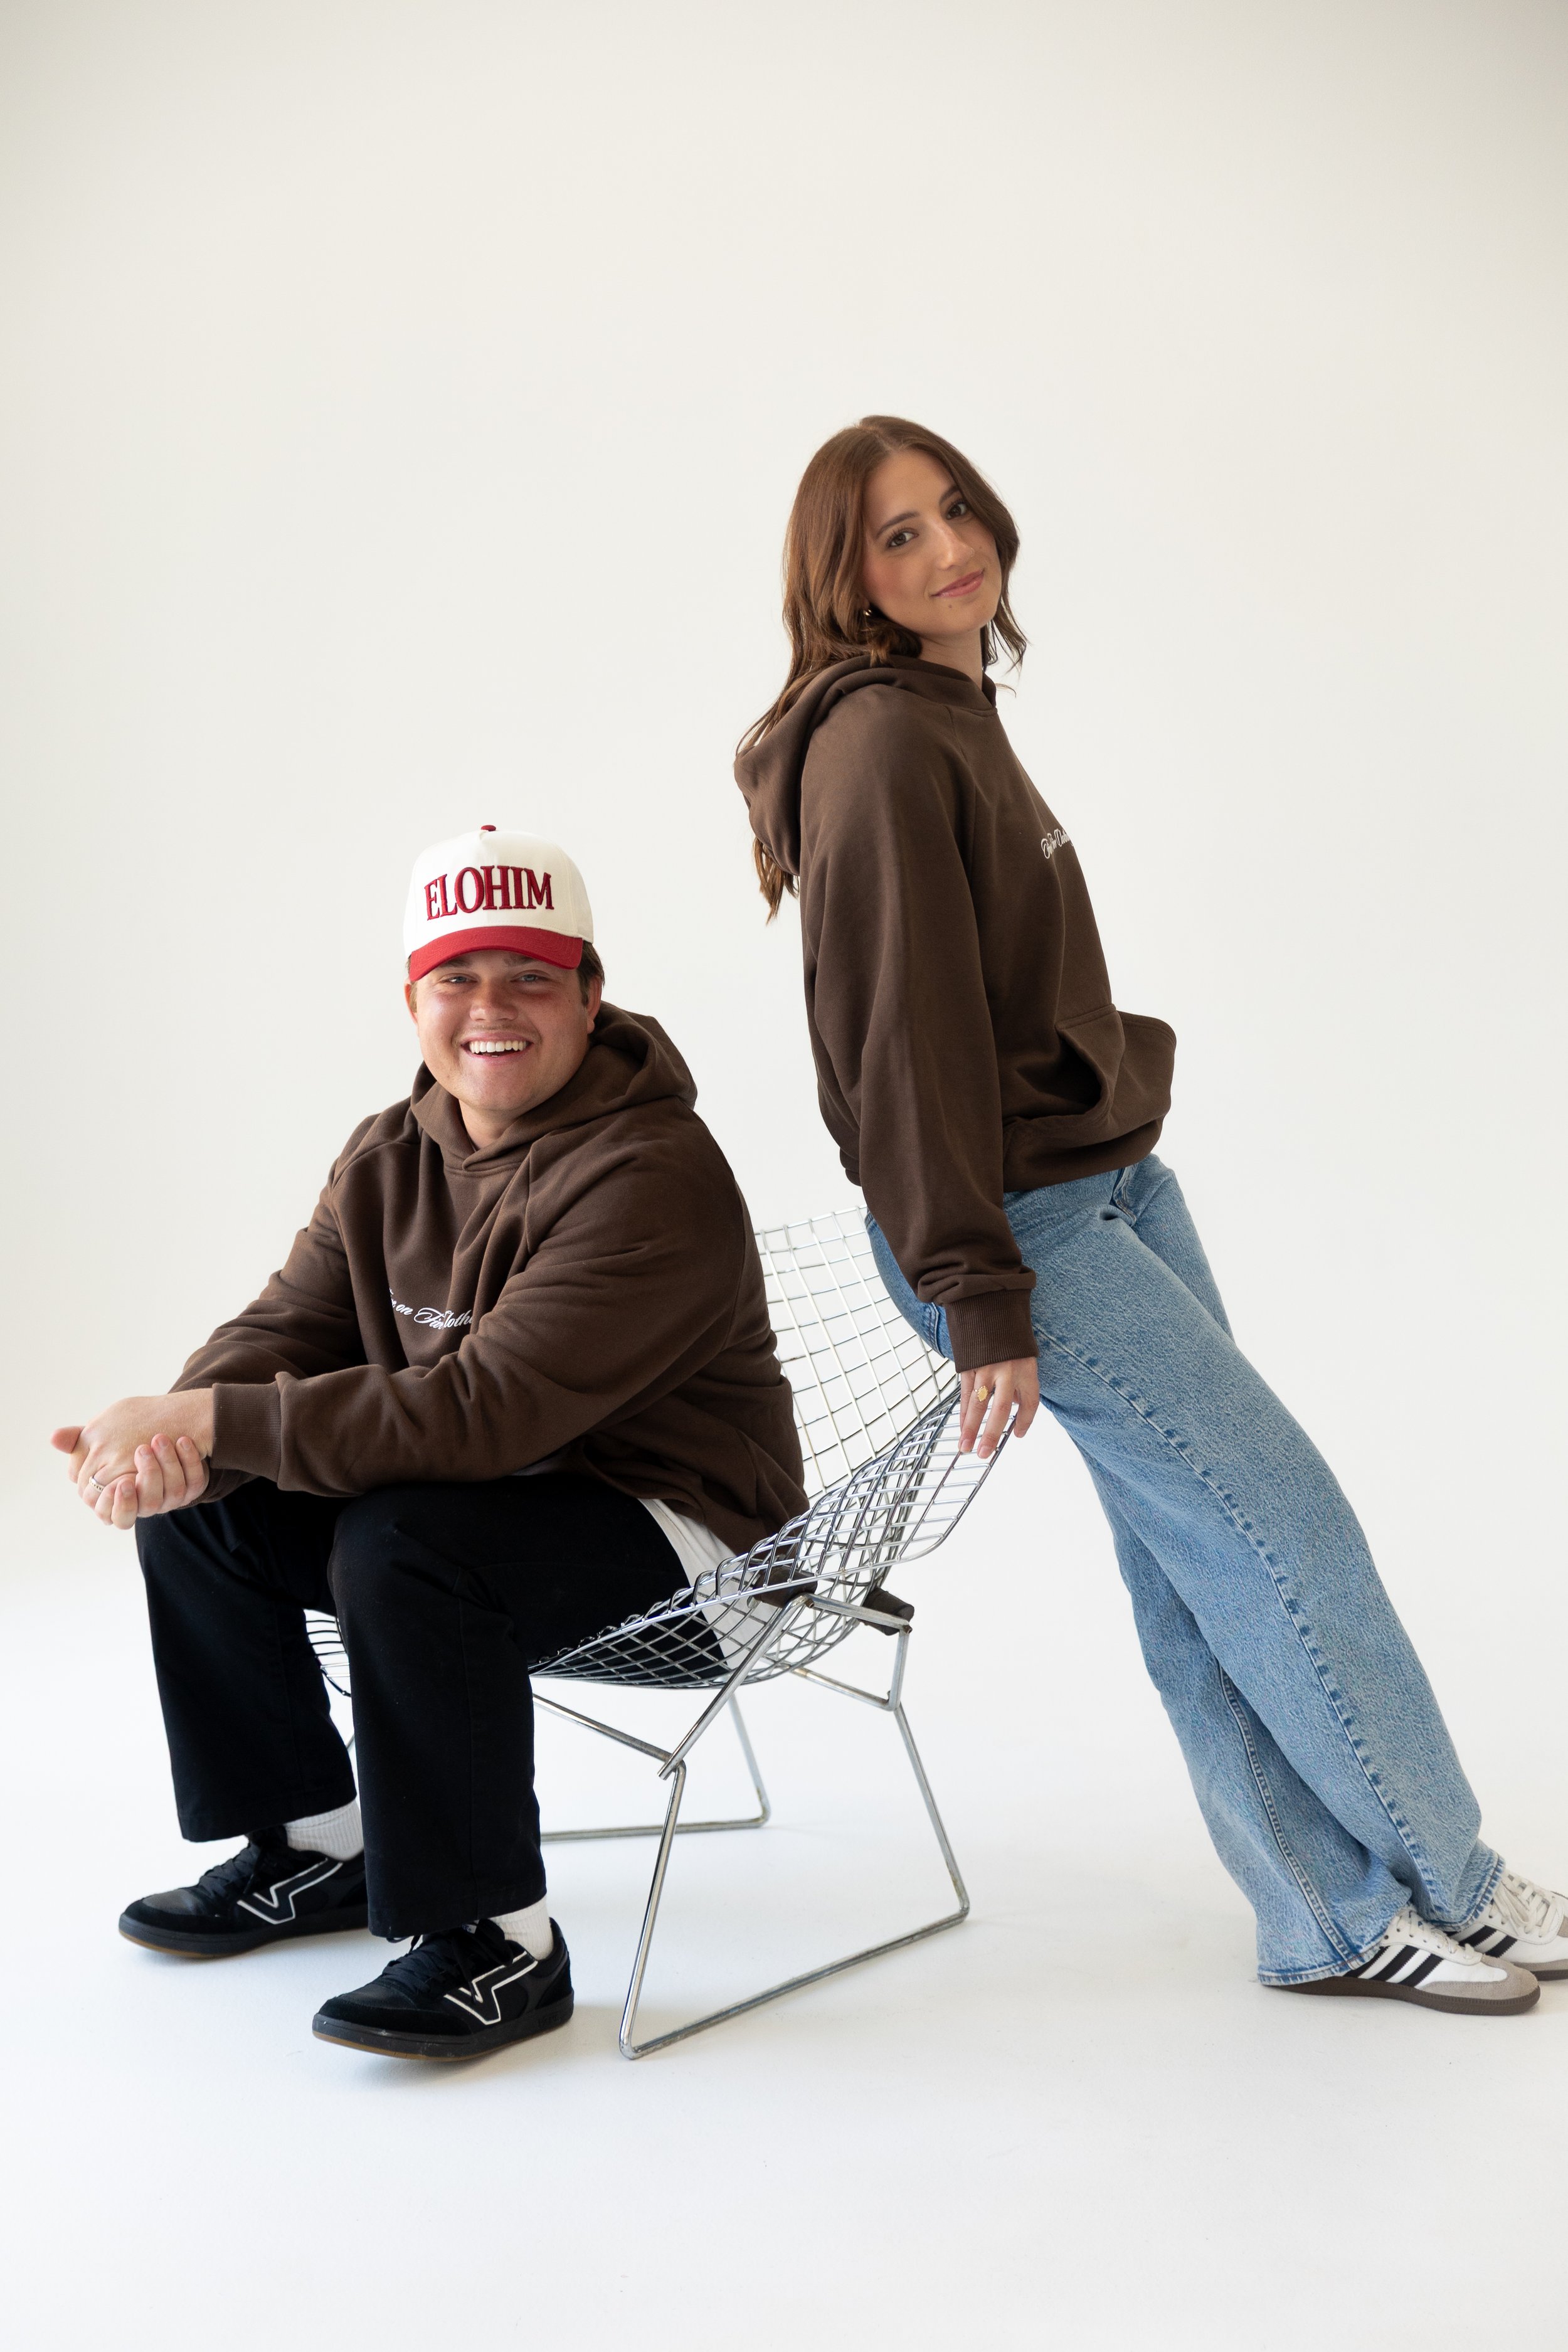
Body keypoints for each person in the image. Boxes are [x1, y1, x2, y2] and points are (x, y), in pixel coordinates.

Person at [735, 415, 1567, 2016]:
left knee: (1201, 1560)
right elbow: (898, 1042)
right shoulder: (884, 744)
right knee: (1282, 1522)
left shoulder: (949, 707)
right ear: (842, 580)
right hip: (1017, 1228)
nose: (944, 547)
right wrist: (975, 1289)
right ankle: (1447, 1880)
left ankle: (1322, 1922)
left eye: (953, 508)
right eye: (894, 536)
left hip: (1100, 1187)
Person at [53, 826, 806, 2062]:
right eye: (456, 978)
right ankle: (319, 1848)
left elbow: (478, 1415)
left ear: (589, 993)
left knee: (401, 1541)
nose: (489, 1009)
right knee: (213, 1506)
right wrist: (175, 1447)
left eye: (528, 975)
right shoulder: (388, 1152)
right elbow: (284, 1329)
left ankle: (497, 1946)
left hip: (697, 1550)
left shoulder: (649, 1169)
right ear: (412, 1000)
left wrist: (207, 1421)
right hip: (490, 1506)